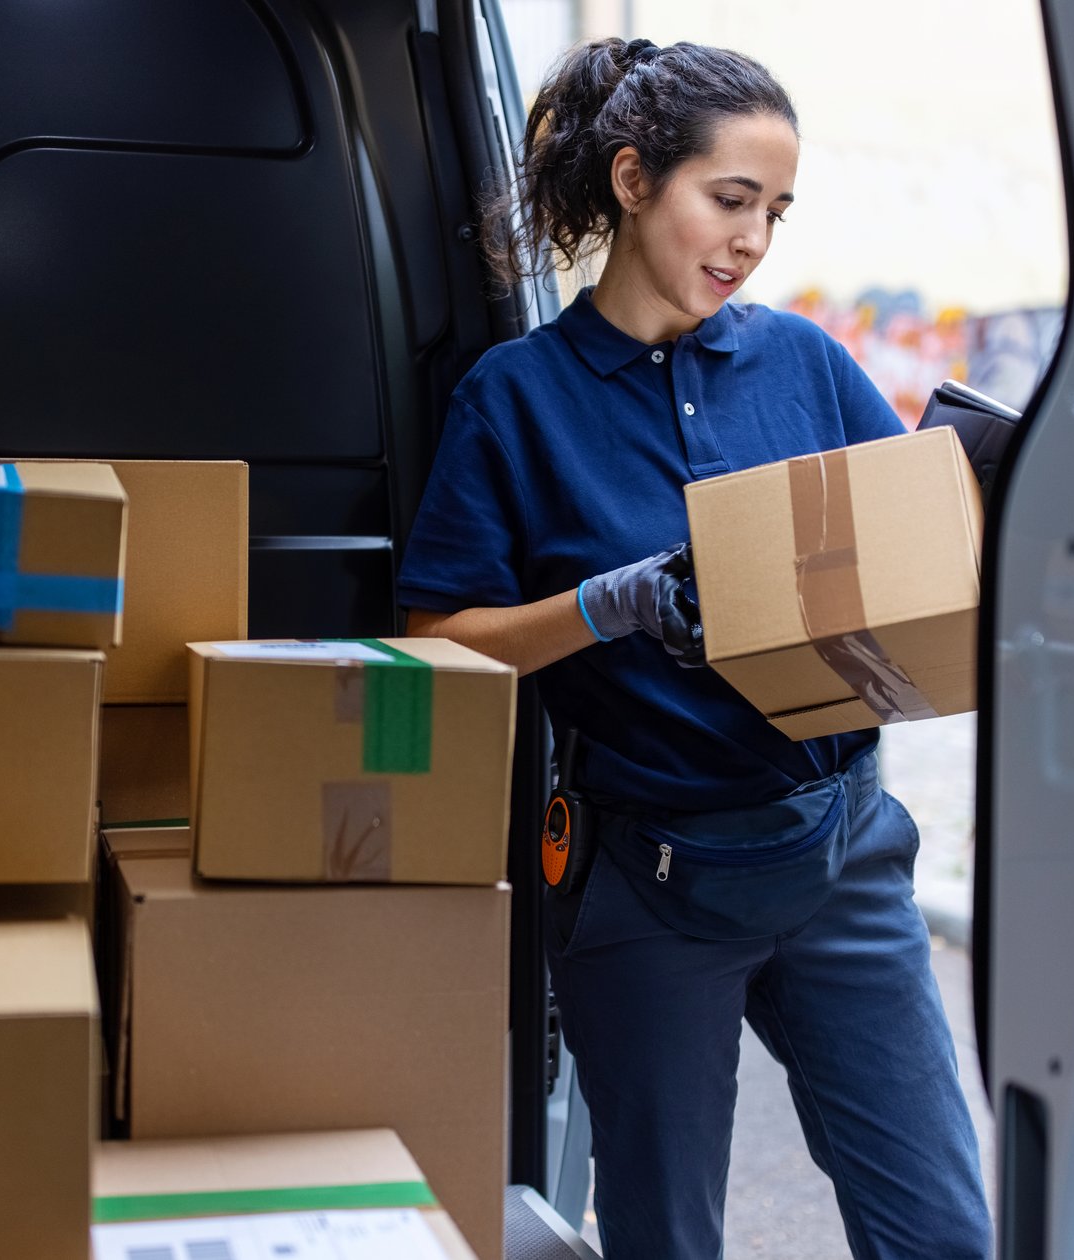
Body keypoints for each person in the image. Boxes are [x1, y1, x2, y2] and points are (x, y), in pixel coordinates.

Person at [396, 36, 990, 1260]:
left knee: (940, 1230)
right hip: (657, 892)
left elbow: (894, 565)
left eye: (772, 212)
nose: (750, 241)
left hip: (843, 856)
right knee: (665, 1240)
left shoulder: (804, 363)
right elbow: (437, 643)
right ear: (630, 181)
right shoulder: (514, 398)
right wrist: (604, 606)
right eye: (728, 201)